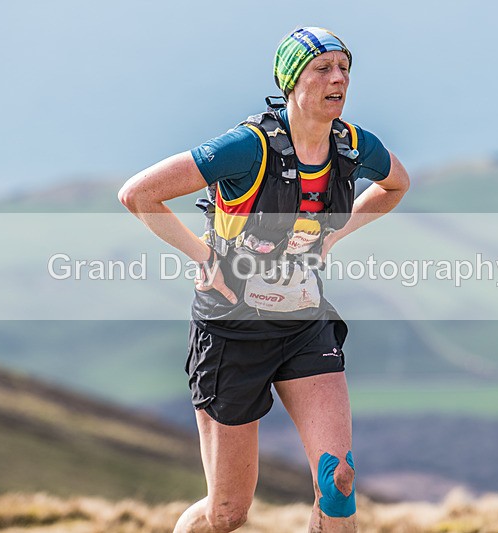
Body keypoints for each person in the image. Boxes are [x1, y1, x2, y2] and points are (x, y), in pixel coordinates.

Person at [119, 26, 409, 533]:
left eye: (344, 69)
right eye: (323, 69)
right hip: (231, 333)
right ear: (292, 81)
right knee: (227, 513)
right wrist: (202, 255)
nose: (338, 79)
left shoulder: (354, 146)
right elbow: (139, 194)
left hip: (303, 326)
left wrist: (336, 235)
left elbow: (395, 185)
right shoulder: (246, 148)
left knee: (338, 480)